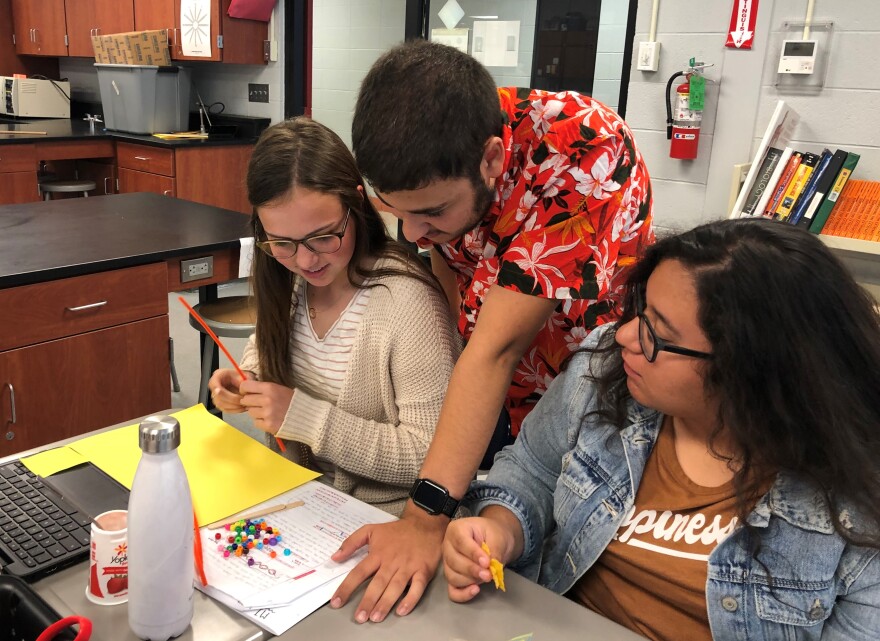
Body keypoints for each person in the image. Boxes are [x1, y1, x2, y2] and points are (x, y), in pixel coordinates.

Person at [331, 40, 654, 620]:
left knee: (566, 585)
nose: (415, 233)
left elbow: (497, 348)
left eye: (431, 212)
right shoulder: (436, 165)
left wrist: (423, 517)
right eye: (395, 211)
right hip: (502, 403)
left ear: (490, 158)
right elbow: (458, 302)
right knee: (486, 565)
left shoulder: (581, 150)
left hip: (600, 411)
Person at [442, 219, 880, 640]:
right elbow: (532, 468)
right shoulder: (605, 375)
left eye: (656, 332)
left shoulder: (857, 502)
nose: (624, 337)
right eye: (639, 310)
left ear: (748, 371)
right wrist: (501, 530)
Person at [208, 117, 460, 516]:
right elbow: (266, 347)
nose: (306, 260)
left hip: (386, 516)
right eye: (283, 242)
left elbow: (431, 457)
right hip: (299, 496)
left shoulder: (406, 302)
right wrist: (249, 379)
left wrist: (302, 417)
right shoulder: (287, 277)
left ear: (357, 204)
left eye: (324, 235)